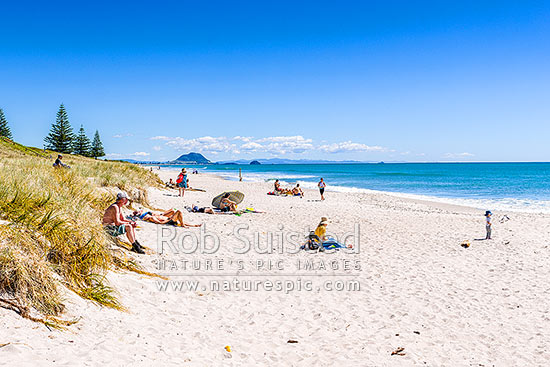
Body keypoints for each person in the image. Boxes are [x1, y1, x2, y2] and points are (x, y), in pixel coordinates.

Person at [134, 209, 201, 228]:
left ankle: (194, 225)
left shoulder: (149, 215)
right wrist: (167, 220)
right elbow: (158, 222)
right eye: (138, 211)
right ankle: (184, 225)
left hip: (167, 219)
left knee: (179, 220)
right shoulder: (149, 217)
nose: (140, 211)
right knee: (178, 212)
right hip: (167, 221)